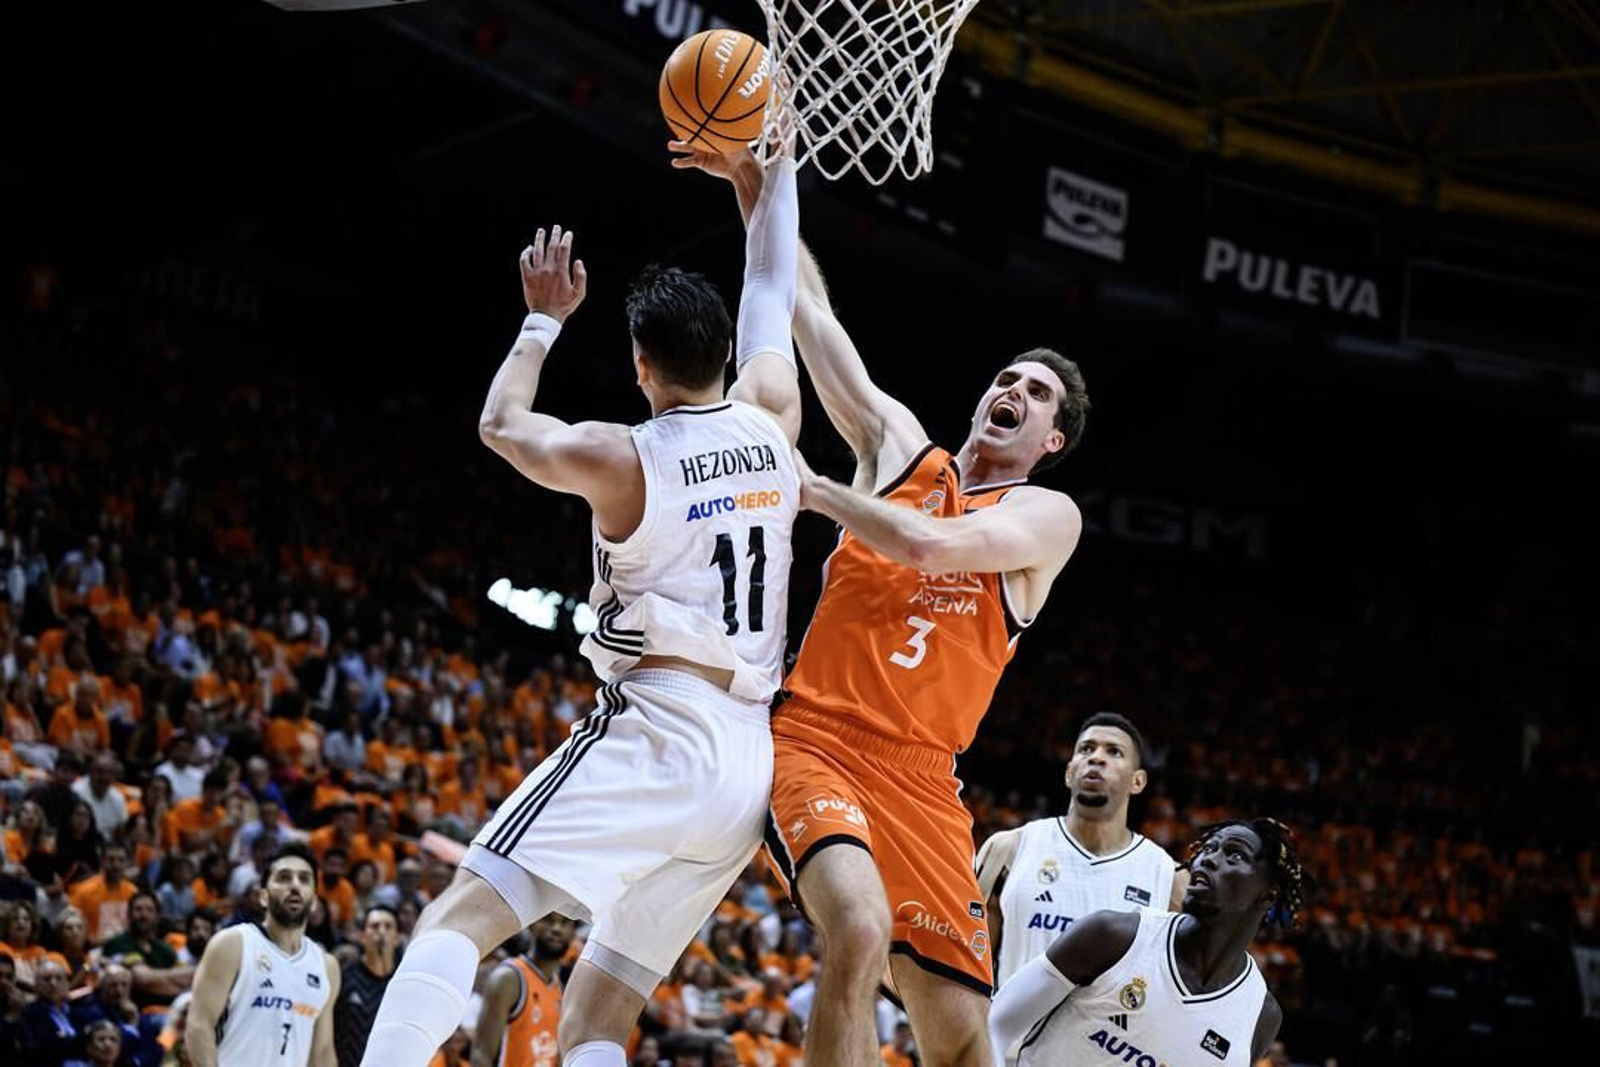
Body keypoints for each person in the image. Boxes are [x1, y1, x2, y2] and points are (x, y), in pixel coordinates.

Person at [360, 140, 804, 1067]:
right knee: (596, 1018)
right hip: (746, 768)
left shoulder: (624, 454)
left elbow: (500, 424)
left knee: (459, 914)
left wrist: (541, 320)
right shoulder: (771, 414)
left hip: (660, 727)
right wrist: (771, 174)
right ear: (726, 351)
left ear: (641, 365)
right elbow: (771, 281)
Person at [674, 145, 1088, 1066]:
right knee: (858, 929)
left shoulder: (1045, 517)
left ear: (1051, 438)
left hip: (925, 780)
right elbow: (806, 310)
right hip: (815, 741)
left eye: (1037, 393)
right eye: (1007, 378)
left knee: (963, 1043)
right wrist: (756, 186)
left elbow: (929, 546)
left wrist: (817, 490)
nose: (1013, 392)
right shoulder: (901, 449)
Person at [988, 819, 1302, 1067]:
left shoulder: (1259, 1015)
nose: (1208, 859)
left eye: (1235, 854)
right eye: (1208, 848)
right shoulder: (1113, 936)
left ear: (1269, 894)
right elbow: (995, 1025)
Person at [975, 713, 1186, 988]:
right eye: (1086, 749)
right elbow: (970, 966)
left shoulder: (1167, 878)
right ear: (1069, 772)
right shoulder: (1009, 849)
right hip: (1014, 1017)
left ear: (1138, 781)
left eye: (1114, 752)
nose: (1096, 758)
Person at [185, 842, 340, 1066]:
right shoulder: (232, 944)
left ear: (314, 901)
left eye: (304, 879)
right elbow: (199, 1026)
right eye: (284, 878)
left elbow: (322, 1051)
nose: (295, 885)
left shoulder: (326, 966)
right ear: (263, 896)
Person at [472, 915, 577, 1067]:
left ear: (573, 933)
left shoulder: (560, 989)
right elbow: (481, 1056)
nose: (556, 929)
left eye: (565, 922)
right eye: (548, 920)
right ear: (531, 924)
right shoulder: (508, 978)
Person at [334, 906, 400, 1067]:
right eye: (375, 926)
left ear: (398, 938)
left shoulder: (402, 984)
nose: (381, 931)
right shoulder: (344, 978)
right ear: (362, 936)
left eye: (388, 926)